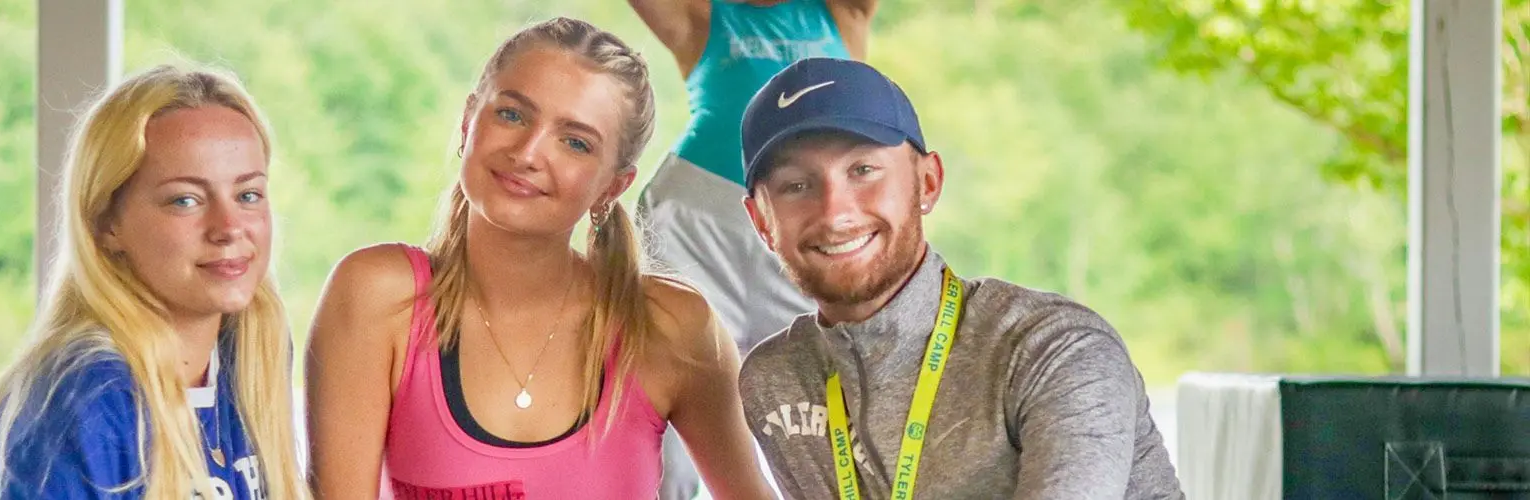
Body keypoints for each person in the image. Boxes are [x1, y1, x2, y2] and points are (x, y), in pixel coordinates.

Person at [304, 17, 770, 500]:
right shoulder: (377, 298)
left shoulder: (670, 325)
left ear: (612, 186)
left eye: (575, 142)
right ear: (469, 122)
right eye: (512, 115)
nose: (528, 153)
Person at [736, 57, 1183, 498]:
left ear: (928, 182)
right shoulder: (777, 379)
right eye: (796, 185)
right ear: (761, 221)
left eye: (862, 171)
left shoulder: (1053, 347)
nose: (835, 213)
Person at [0, 64, 306, 500]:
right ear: (107, 223)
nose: (228, 227)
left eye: (248, 195)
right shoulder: (88, 402)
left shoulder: (248, 352)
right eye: (185, 200)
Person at [629, 2, 879, 495]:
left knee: (822, 414)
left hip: (806, 229)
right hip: (694, 223)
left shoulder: (844, 13)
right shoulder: (702, 17)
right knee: (670, 405)